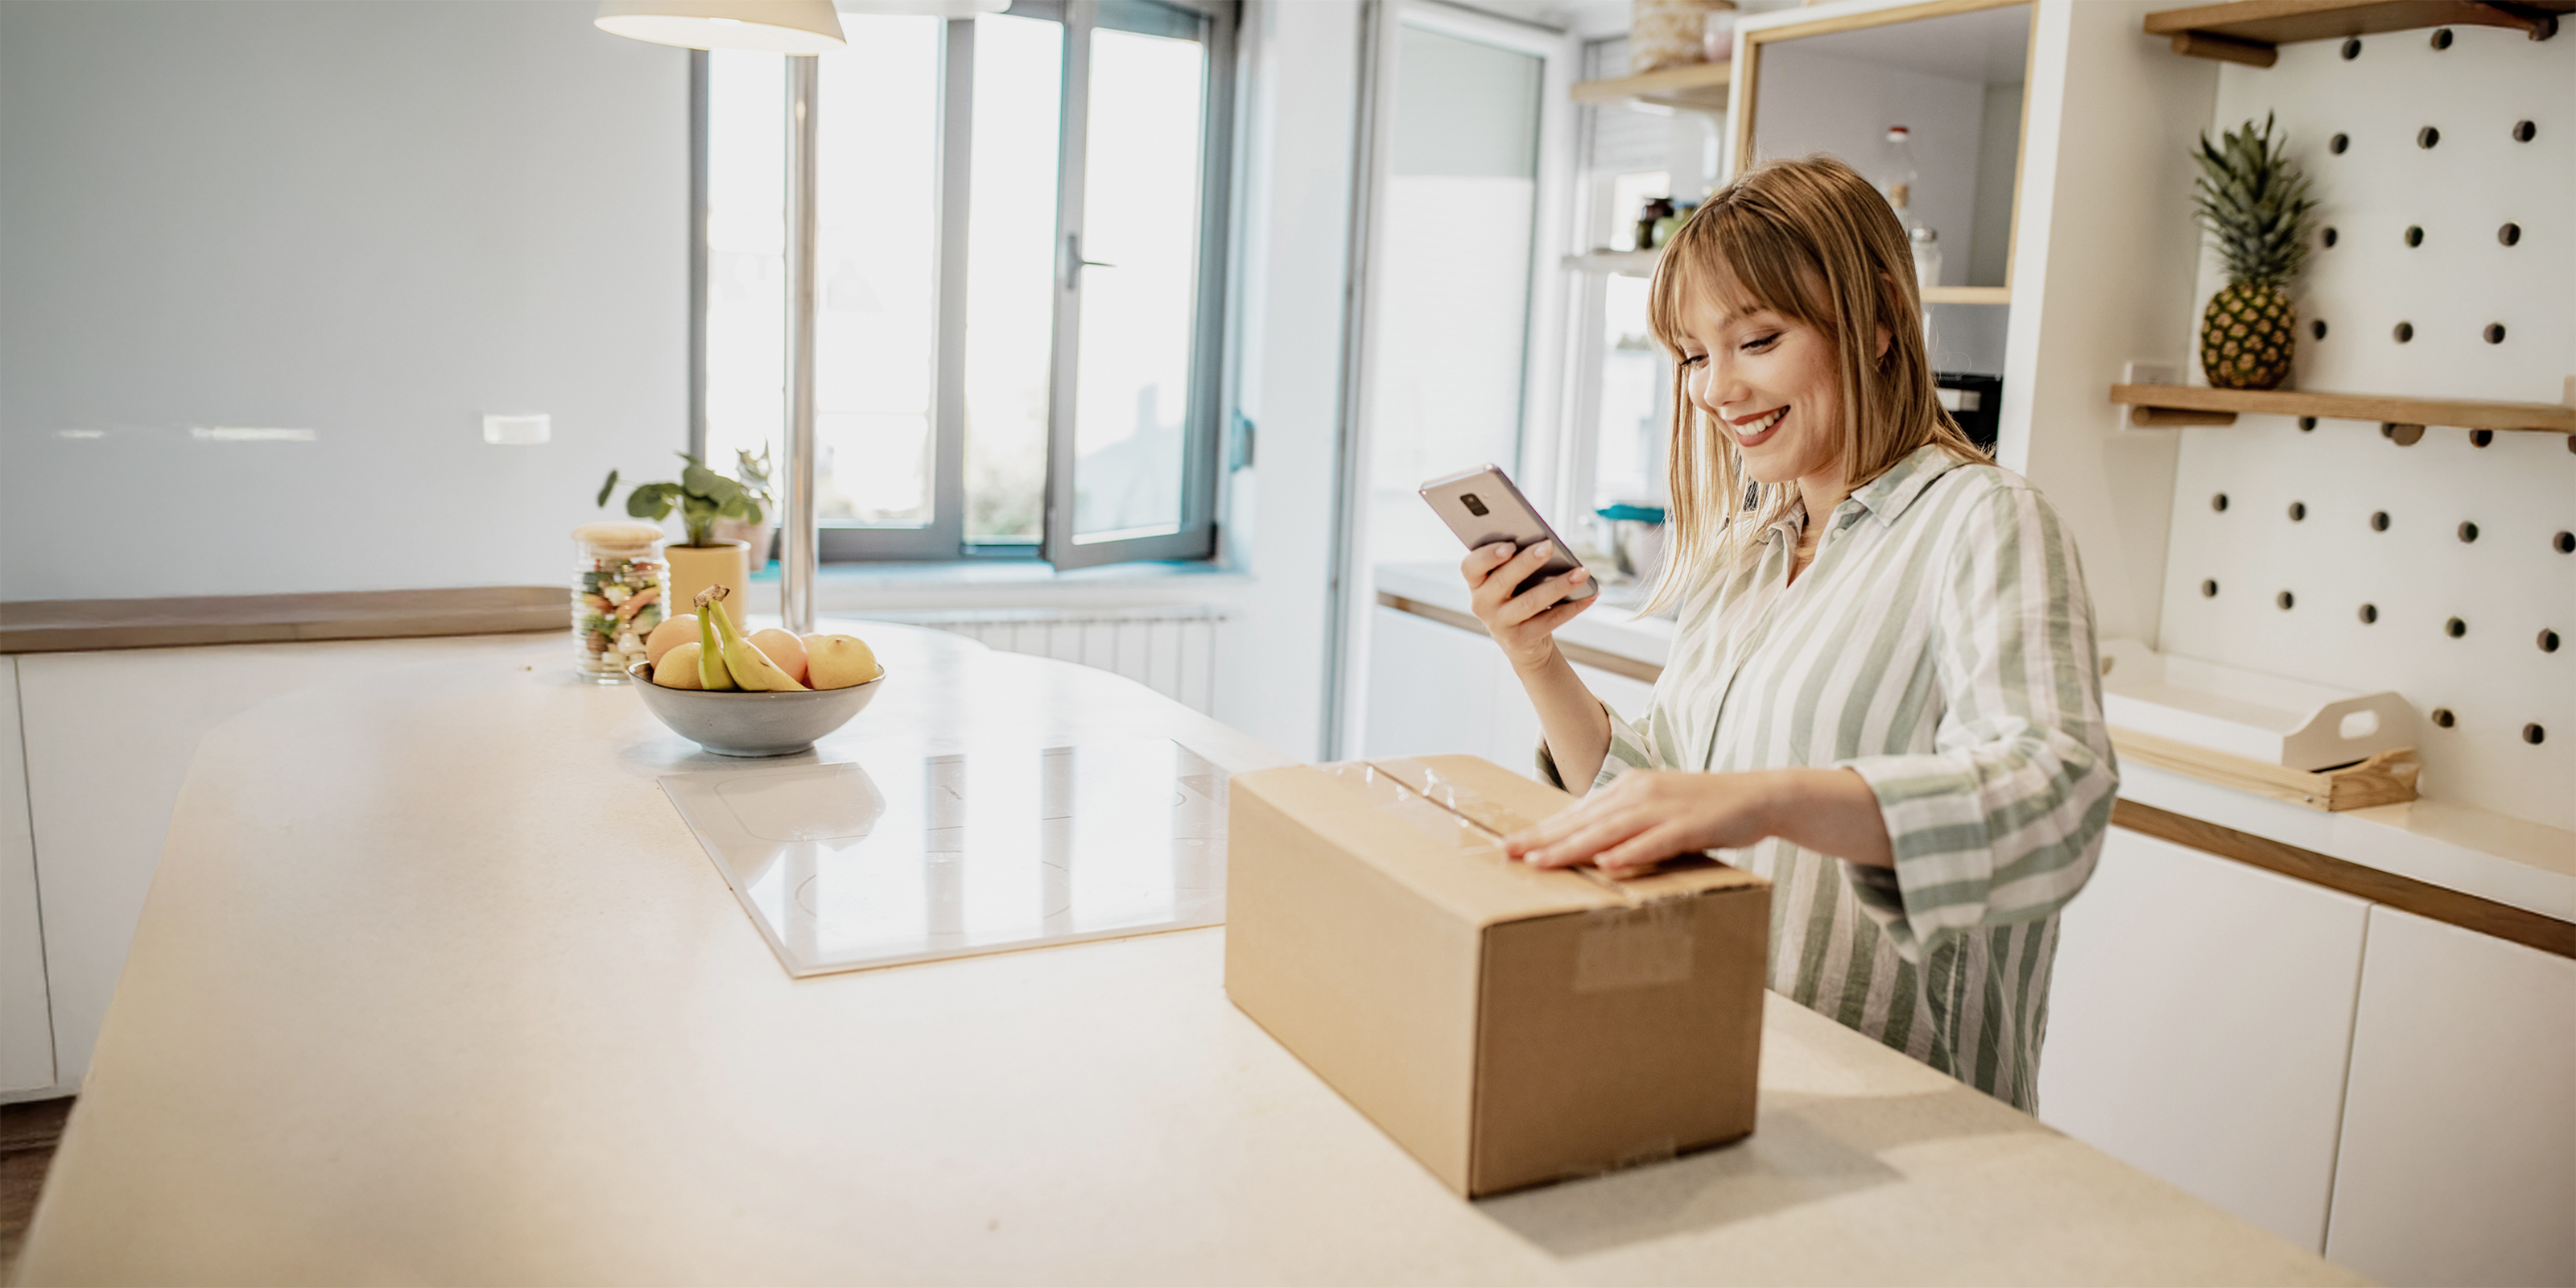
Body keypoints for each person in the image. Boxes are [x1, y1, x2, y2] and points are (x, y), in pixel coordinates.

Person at [1461, 156, 2115, 1111]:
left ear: (1879, 318)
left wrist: (1769, 800)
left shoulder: (1984, 520)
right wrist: (1535, 656)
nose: (1715, 390)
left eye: (1756, 340)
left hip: (1897, 1113)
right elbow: (1665, 797)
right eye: (1692, 355)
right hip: (1719, 1064)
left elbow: (2053, 795)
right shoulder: (1749, 546)